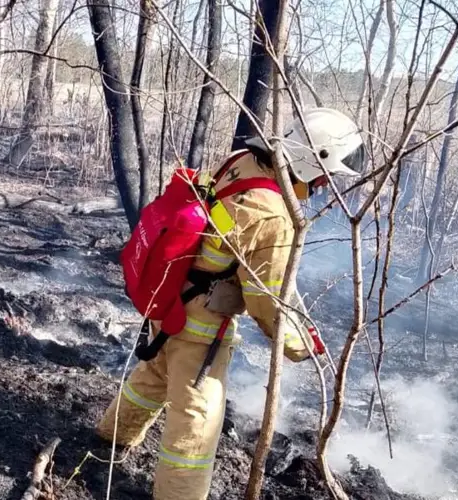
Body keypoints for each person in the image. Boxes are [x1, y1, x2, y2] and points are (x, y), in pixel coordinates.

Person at [95, 108, 365, 499]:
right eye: (326, 175)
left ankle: (112, 435)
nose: (324, 185)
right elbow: (266, 298)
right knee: (197, 421)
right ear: (311, 159)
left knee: (153, 375)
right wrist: (296, 344)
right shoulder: (273, 215)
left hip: (171, 293)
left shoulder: (241, 162)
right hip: (200, 325)